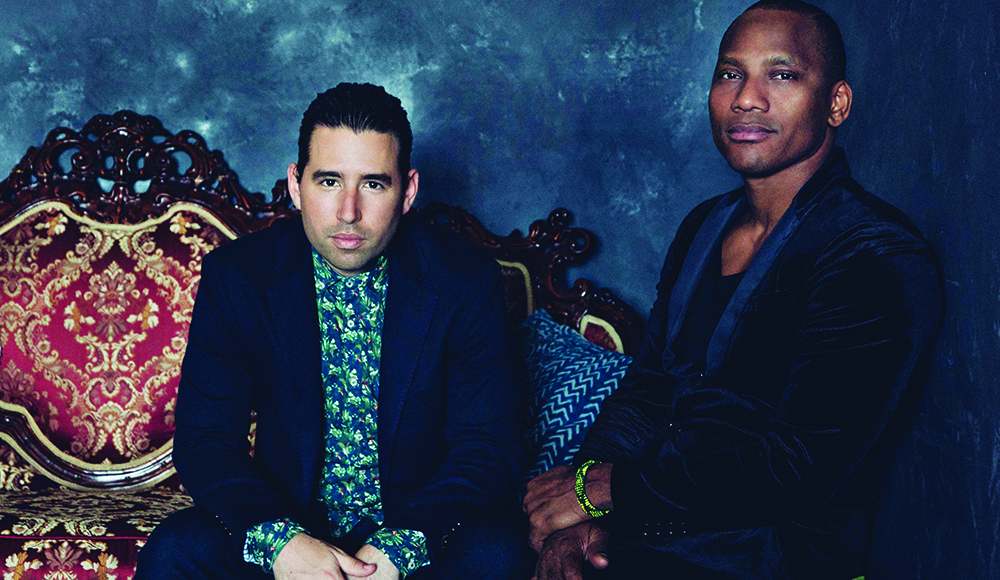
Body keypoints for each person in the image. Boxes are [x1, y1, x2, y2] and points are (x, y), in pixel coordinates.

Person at [523, 2, 943, 579]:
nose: (747, 97)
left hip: (765, 556)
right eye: (730, 73)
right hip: (650, 529)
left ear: (836, 104)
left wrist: (604, 491)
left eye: (783, 74)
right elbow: (648, 390)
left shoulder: (872, 253)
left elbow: (798, 470)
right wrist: (579, 512)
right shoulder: (706, 224)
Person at [137, 83, 533, 580]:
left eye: (372, 184)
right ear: (295, 184)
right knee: (176, 550)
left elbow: (486, 447)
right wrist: (281, 543)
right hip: (290, 525)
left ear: (407, 191)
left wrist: (400, 550)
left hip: (413, 532)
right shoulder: (238, 277)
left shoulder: (464, 282)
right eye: (328, 181)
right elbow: (206, 441)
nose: (348, 212)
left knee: (498, 555)